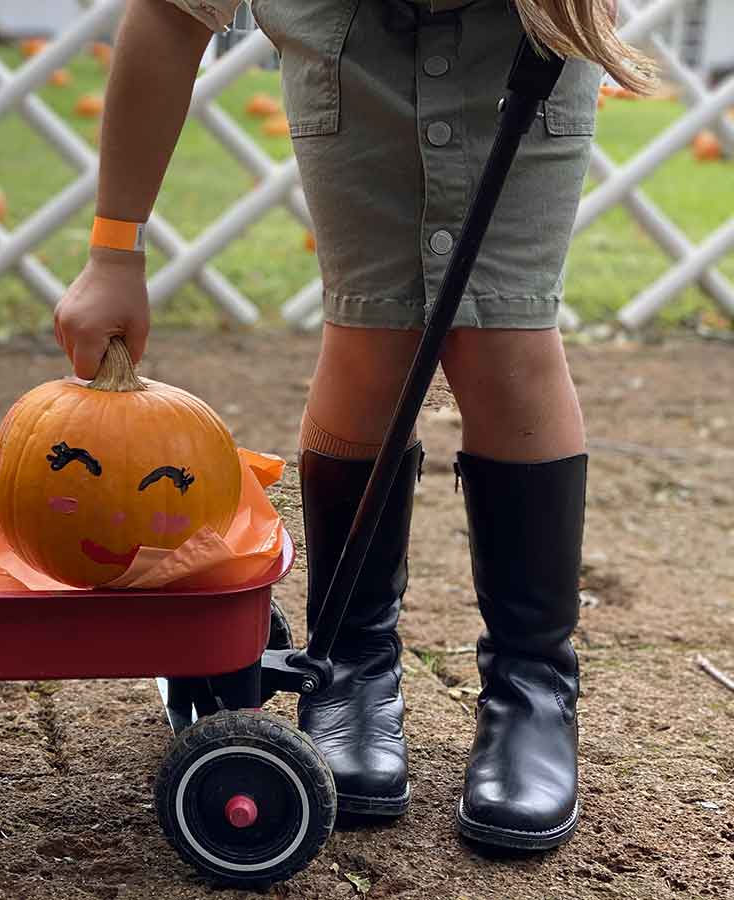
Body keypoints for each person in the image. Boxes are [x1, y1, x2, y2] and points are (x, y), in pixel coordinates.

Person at [54, 0, 652, 849]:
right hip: (349, 40)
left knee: (505, 342)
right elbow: (168, 16)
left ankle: (533, 687)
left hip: (519, 33)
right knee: (371, 338)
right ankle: (352, 666)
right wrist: (114, 253)